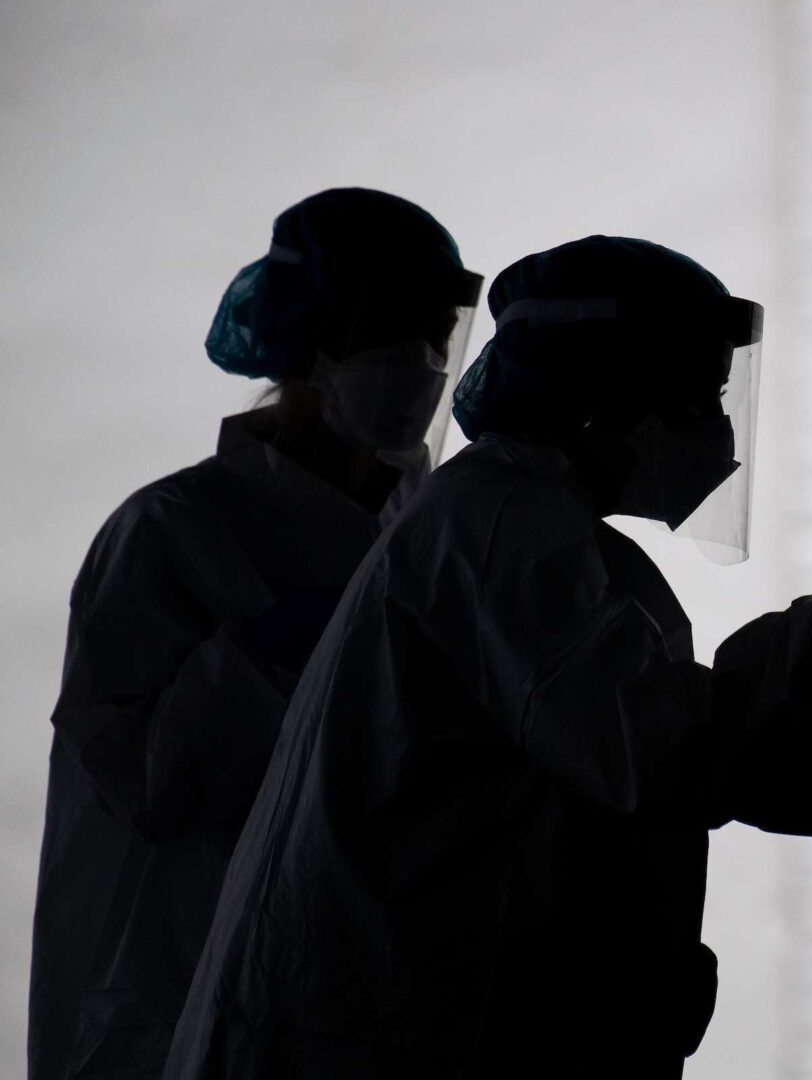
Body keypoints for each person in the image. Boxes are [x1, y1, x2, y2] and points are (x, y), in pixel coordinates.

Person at [161, 235, 812, 1079]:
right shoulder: (505, 528)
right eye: (696, 396)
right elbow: (665, 748)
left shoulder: (516, 518)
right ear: (605, 395)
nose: (717, 428)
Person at [29, 188, 482, 1080]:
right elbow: (141, 783)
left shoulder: (426, 525)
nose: (423, 363)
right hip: (186, 980)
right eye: (391, 328)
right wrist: (266, 661)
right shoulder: (170, 530)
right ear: (307, 336)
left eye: (436, 333)